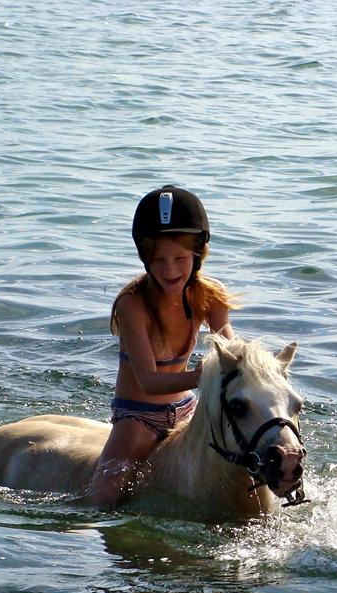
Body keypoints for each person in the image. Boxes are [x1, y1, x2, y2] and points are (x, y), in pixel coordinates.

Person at [90, 185, 235, 509]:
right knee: (101, 501)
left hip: (187, 410)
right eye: (159, 260)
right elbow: (148, 381)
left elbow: (227, 339)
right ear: (145, 258)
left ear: (198, 254)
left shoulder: (211, 295)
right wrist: (202, 376)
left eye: (180, 258)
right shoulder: (133, 305)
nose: (170, 270)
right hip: (138, 418)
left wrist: (239, 360)